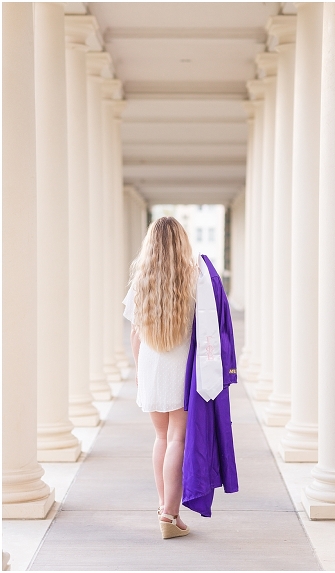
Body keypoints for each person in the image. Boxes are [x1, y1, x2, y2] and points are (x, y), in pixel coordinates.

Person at [124, 217, 197, 539]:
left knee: (161, 438)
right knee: (178, 439)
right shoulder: (194, 281)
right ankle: (170, 513)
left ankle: (162, 507)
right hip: (181, 369)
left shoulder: (141, 282)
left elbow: (134, 334)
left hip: (152, 366)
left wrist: (139, 371)